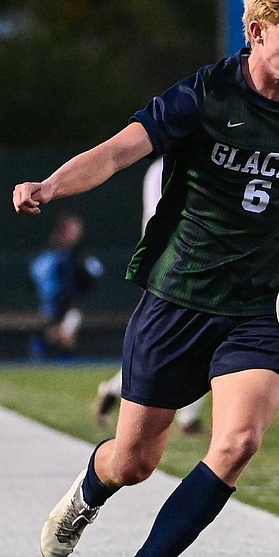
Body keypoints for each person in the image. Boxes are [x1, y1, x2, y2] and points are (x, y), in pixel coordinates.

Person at [12, 0, 279, 557]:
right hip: (179, 296)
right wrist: (52, 185)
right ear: (257, 31)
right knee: (136, 459)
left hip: (264, 307)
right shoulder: (206, 94)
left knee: (237, 443)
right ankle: (89, 492)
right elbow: (120, 150)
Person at [93, 158, 206, 432]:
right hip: (180, 263)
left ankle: (115, 389)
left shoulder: (161, 166)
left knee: (187, 343)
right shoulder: (170, 167)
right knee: (192, 342)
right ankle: (183, 417)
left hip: (174, 263)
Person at [28, 212, 104, 358]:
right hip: (56, 305)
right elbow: (47, 284)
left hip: (64, 305)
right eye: (74, 229)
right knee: (58, 335)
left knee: (67, 330)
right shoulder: (54, 257)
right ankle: (43, 354)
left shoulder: (73, 256)